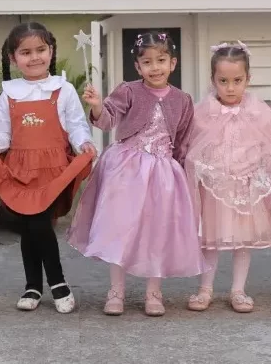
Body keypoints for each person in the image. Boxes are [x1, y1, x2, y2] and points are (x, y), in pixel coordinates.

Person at [69, 31, 205, 317]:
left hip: (163, 174)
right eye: (147, 62)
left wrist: (182, 172)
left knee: (157, 230)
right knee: (120, 228)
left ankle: (153, 292)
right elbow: (108, 120)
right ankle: (116, 291)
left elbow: (183, 140)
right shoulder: (129, 91)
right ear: (138, 67)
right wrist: (97, 105)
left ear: (173, 63)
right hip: (127, 169)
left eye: (161, 60)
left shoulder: (182, 100)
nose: (155, 67)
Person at [0, 22, 96, 314]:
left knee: (39, 223)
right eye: (25, 52)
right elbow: (2, 131)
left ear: (51, 51)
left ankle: (55, 282)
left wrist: (83, 142)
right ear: (13, 58)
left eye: (40, 50)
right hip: (21, 169)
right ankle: (34, 285)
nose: (34, 57)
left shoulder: (64, 90)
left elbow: (76, 125)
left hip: (51, 170)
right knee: (30, 227)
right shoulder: (9, 93)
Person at [183, 42, 271, 314]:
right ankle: (205, 288)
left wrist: (263, 173)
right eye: (223, 81)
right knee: (209, 239)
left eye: (237, 81)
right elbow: (191, 146)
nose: (230, 88)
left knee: (243, 240)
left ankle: (238, 290)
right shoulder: (202, 112)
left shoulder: (259, 111)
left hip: (244, 186)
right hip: (213, 186)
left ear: (248, 79)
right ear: (213, 80)